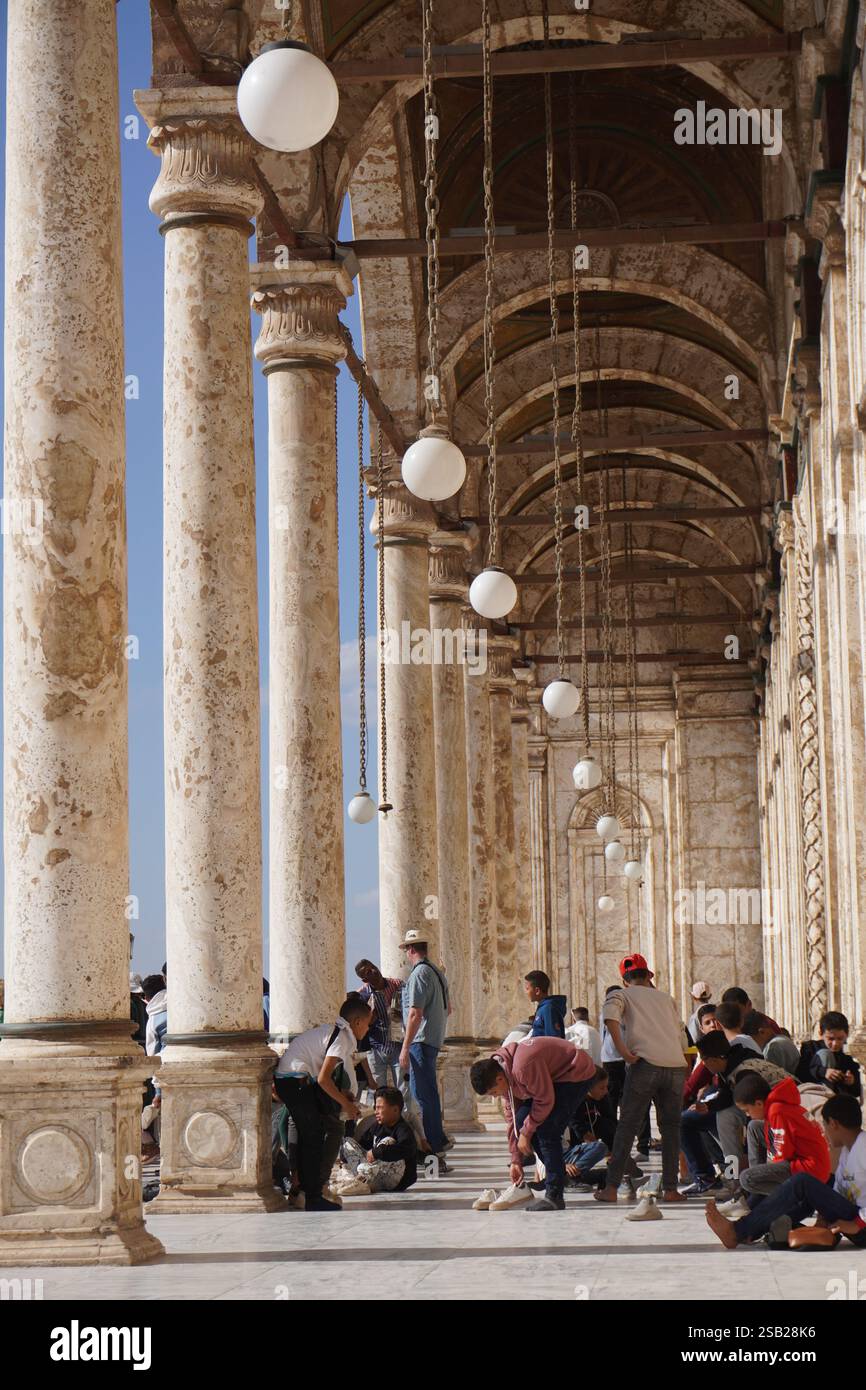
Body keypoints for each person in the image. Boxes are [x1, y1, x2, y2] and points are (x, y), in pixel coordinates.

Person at [594, 954, 690, 1205]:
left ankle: (611, 1188)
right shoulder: (666, 998)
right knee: (670, 1130)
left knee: (627, 1126)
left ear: (624, 980)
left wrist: (623, 1051)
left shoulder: (622, 995)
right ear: (649, 975)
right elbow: (681, 1036)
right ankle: (670, 1189)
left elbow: (610, 1017)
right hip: (675, 1067)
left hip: (645, 1065)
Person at [705, 1071, 833, 1248]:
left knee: (748, 1178)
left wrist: (763, 1174)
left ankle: (753, 1213)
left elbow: (783, 1154)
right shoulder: (777, 1107)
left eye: (747, 1110)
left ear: (759, 1103)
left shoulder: (777, 1111)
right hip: (806, 1163)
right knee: (754, 1127)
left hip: (807, 1169)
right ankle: (755, 1205)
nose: (748, 1114)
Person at [470, 1036, 598, 1210]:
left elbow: (545, 1100)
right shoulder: (502, 1069)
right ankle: (560, 1175)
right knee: (525, 1120)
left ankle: (554, 1195)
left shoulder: (523, 1067)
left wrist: (526, 1133)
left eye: (493, 1092)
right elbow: (513, 1119)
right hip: (555, 1078)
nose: (495, 1096)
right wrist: (516, 1159)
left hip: (576, 1073)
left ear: (500, 1079)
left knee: (547, 1129)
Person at [274, 995, 372, 1212]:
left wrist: (342, 1095)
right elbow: (323, 1079)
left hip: (293, 1080)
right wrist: (346, 1105)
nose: (367, 1029)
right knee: (313, 1138)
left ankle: (302, 1192)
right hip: (294, 1081)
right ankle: (313, 1197)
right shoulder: (343, 1038)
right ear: (356, 1022)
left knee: (312, 1132)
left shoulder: (336, 1032)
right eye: (367, 1024)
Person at [398, 929, 451, 1170]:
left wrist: (405, 1046)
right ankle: (437, 1146)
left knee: (423, 1098)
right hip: (433, 1039)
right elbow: (448, 1009)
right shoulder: (437, 973)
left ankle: (434, 1151)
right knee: (429, 1096)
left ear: (411, 950)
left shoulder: (419, 974)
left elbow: (414, 1013)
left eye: (406, 951)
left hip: (420, 1041)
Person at [340, 1086, 418, 1195]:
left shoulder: (403, 1129)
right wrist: (347, 1155)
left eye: (380, 1108)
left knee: (388, 1141)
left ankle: (361, 1181)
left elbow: (407, 1149)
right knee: (347, 1143)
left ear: (395, 1109)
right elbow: (361, 1145)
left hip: (396, 1180)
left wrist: (377, 1152)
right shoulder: (376, 1126)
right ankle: (357, 1180)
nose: (376, 1112)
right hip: (375, 1171)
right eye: (375, 1108)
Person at [797, 1011, 862, 1099]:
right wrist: (823, 1072)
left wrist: (852, 1081)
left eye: (840, 1038)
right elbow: (802, 1075)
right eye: (830, 1039)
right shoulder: (810, 1049)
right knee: (825, 1054)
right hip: (815, 1096)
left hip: (840, 1100)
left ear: (846, 1035)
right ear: (821, 1034)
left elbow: (857, 1090)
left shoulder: (850, 1056)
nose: (835, 1043)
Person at [524, 971, 567, 1038]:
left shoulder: (548, 1009)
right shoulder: (543, 1008)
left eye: (527, 989)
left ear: (537, 991)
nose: (526, 992)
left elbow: (552, 1039)